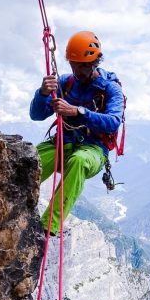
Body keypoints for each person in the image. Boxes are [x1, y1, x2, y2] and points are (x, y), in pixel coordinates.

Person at [29, 30, 124, 236]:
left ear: (94, 63)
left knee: (79, 161)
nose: (76, 69)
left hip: (93, 150)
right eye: (73, 64)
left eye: (81, 65)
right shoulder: (65, 83)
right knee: (28, 160)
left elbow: (113, 122)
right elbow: (36, 115)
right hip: (63, 144)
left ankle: (49, 226)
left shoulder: (110, 89)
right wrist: (43, 93)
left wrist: (78, 112)